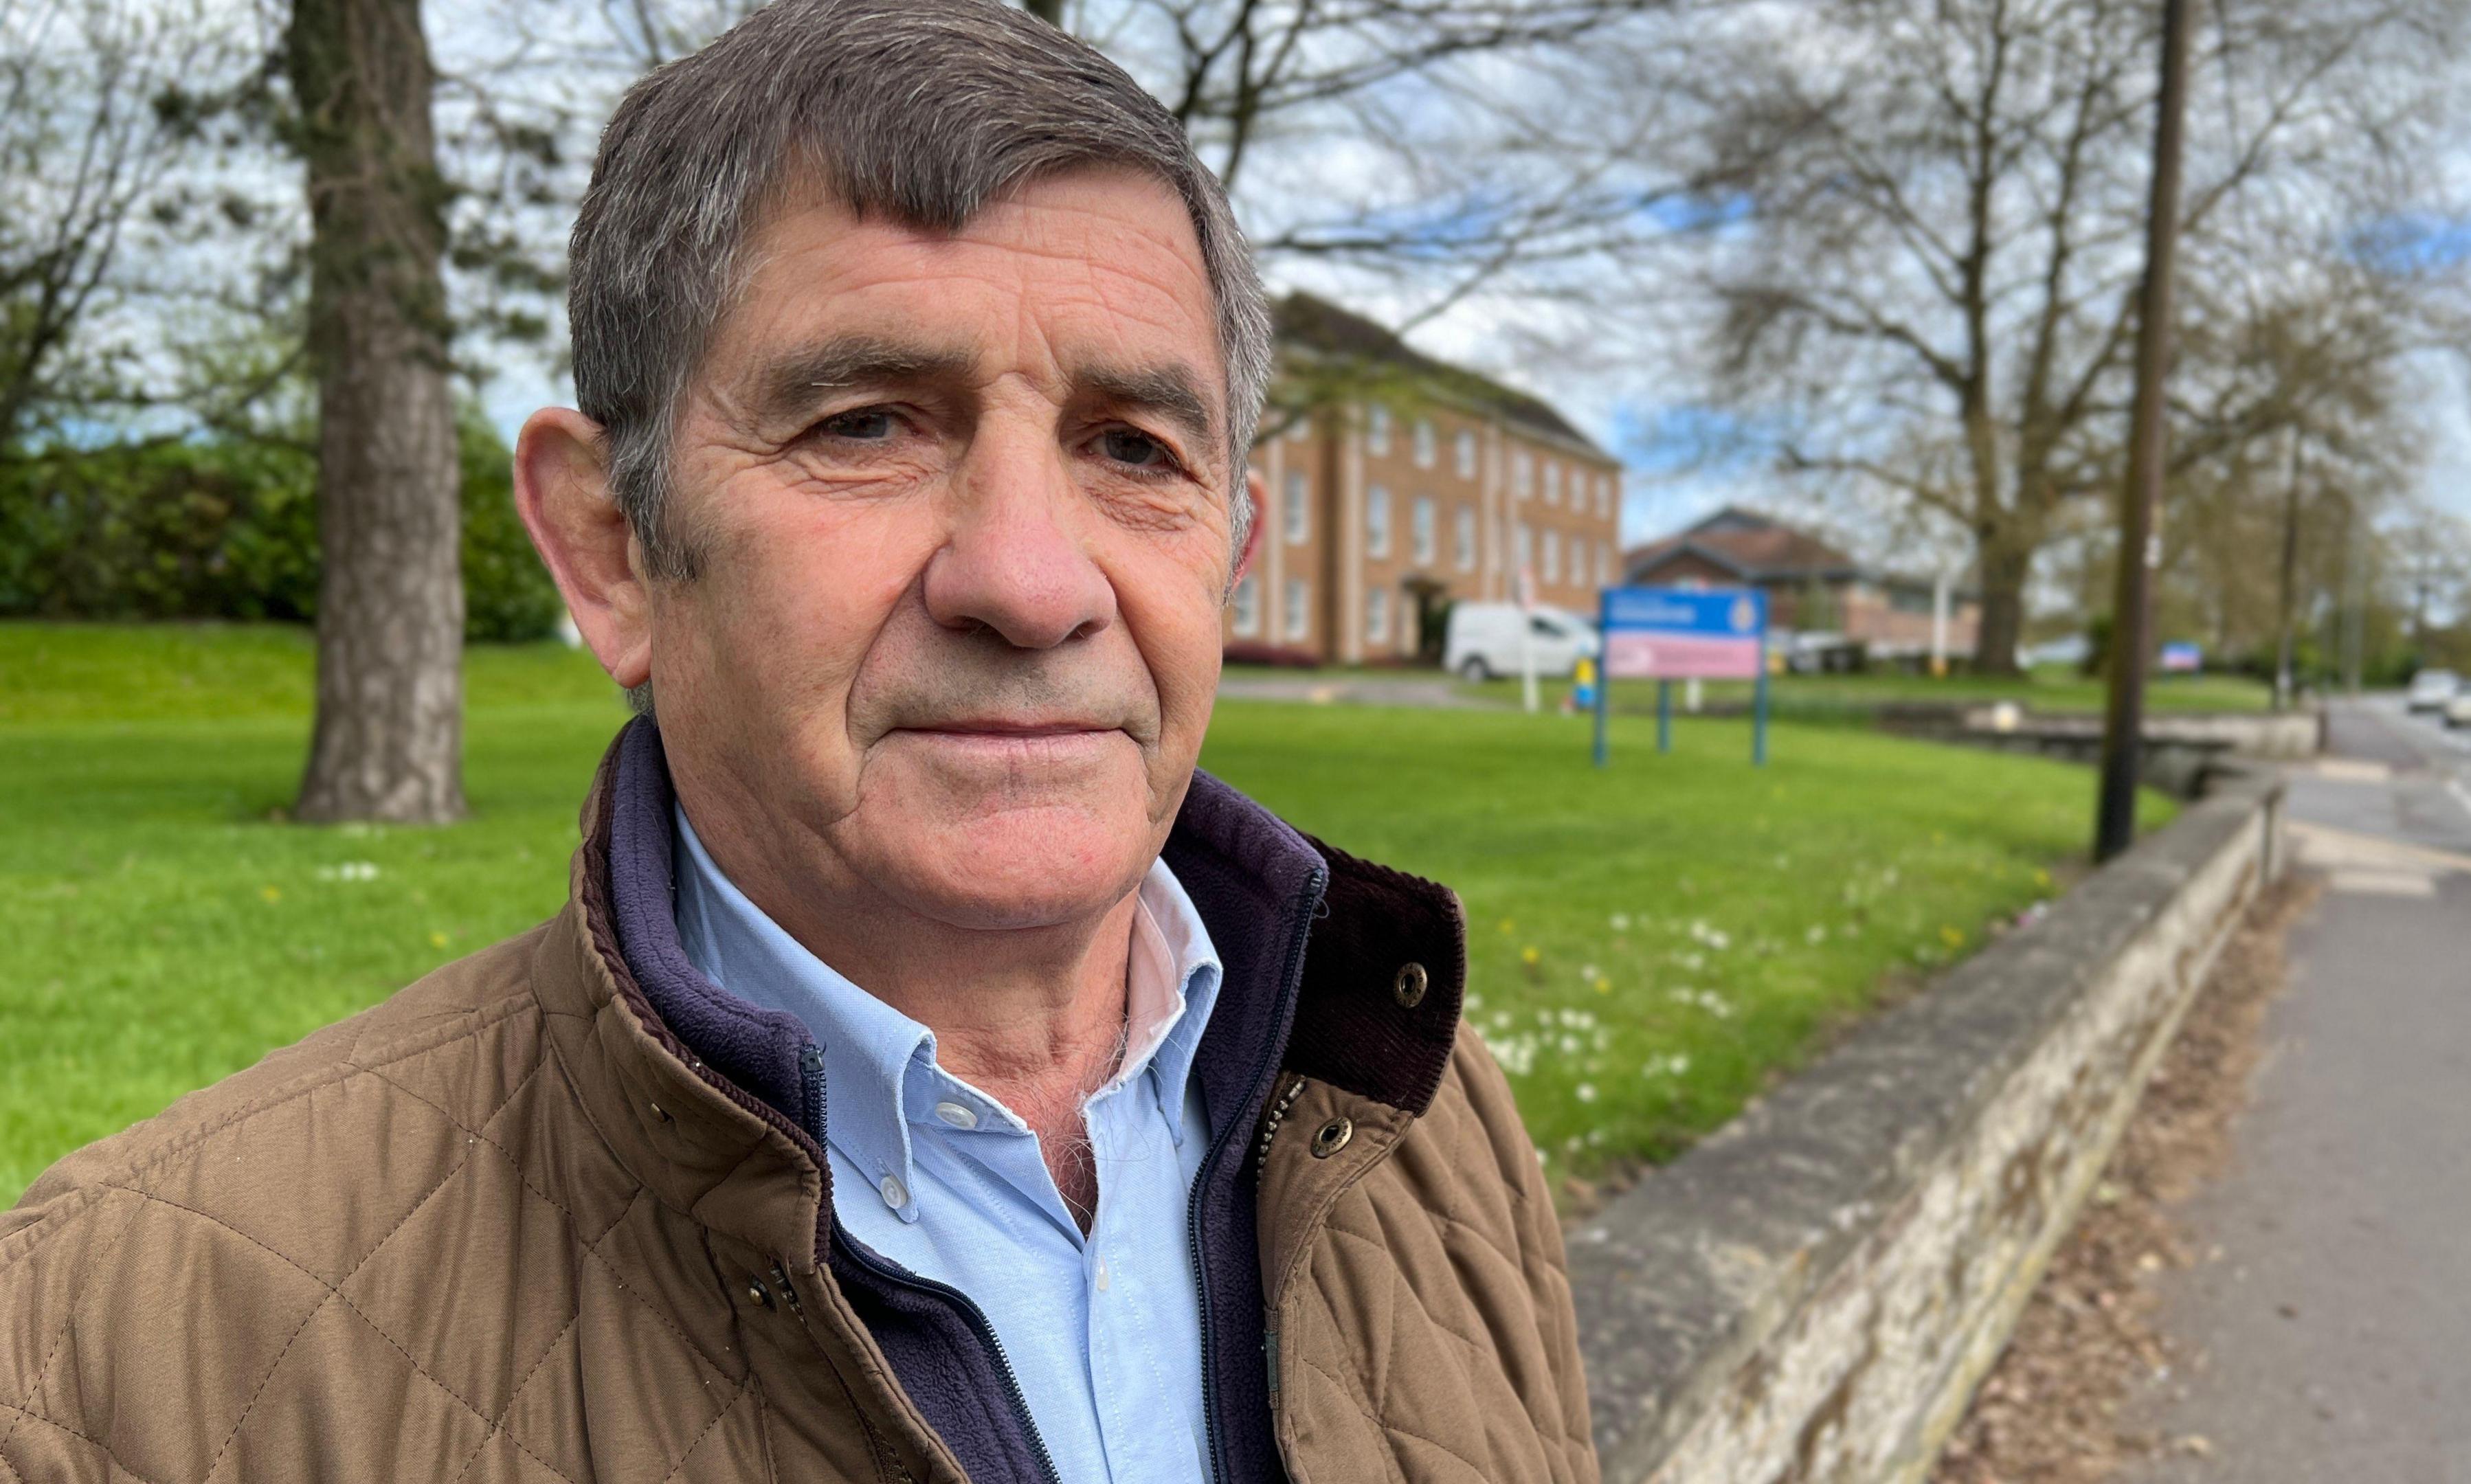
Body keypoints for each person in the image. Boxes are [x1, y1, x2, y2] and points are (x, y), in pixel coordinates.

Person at [0, 3, 1594, 1481]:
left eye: (1132, 446)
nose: (1034, 585)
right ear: (614, 548)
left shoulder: (1434, 1129)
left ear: (1227, 555)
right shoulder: (120, 1348)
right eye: (869, 425)